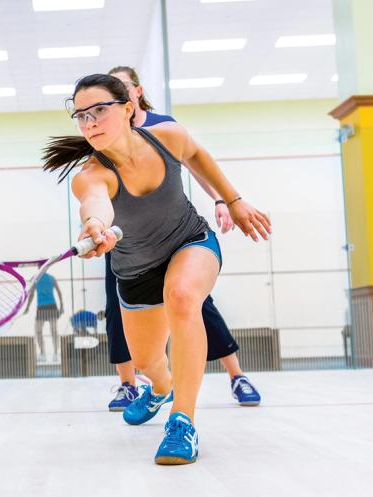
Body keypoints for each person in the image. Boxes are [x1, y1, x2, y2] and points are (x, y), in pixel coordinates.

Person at [42, 74, 271, 465]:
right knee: (148, 364)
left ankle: (182, 422)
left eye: (99, 111)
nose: (89, 123)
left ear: (129, 108)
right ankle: (160, 389)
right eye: (81, 116)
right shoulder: (90, 175)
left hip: (190, 241)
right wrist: (95, 225)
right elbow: (95, 202)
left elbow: (196, 154)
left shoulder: (167, 136)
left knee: (183, 297)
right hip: (135, 271)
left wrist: (232, 200)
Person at [103, 66, 262, 411]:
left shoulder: (163, 127)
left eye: (122, 89)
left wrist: (225, 200)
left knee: (190, 299)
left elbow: (196, 160)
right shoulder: (103, 138)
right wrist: (94, 222)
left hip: (176, 237)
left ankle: (235, 376)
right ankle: (133, 384)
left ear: (136, 93)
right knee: (117, 310)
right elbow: (93, 191)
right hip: (122, 243)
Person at [23, 272, 63, 362]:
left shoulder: (50, 277)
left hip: (50, 306)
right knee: (39, 331)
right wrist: (27, 307)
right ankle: (43, 354)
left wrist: (62, 306)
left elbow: (58, 292)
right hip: (42, 307)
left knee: (53, 331)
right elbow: (32, 294)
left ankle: (55, 354)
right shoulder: (37, 278)